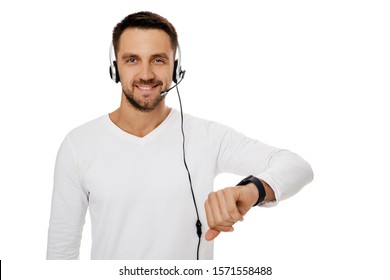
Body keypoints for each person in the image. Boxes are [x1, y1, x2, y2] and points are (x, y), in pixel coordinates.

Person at [46, 11, 313, 260]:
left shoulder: (206, 136)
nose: (146, 74)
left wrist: (252, 189)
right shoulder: (78, 144)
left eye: (158, 59)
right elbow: (61, 251)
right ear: (115, 68)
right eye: (132, 59)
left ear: (176, 67)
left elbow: (297, 166)